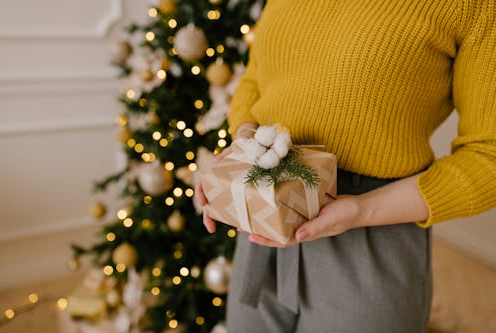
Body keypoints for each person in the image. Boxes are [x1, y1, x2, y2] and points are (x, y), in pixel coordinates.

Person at [196, 0, 496, 332]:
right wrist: (242, 151)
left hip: (371, 233)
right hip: (266, 214)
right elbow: (257, 77)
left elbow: (489, 157)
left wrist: (362, 210)